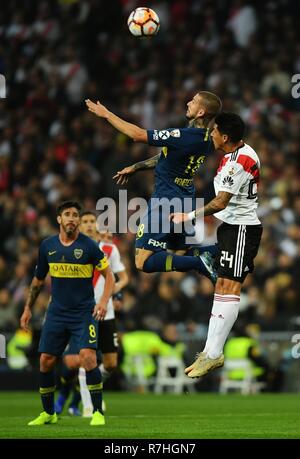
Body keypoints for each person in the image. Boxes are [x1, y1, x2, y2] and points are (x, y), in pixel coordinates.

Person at [85, 92, 222, 282]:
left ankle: (201, 262)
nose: (188, 102)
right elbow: (166, 158)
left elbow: (138, 135)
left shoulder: (183, 136)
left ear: (201, 112)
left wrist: (107, 114)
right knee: (179, 252)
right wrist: (138, 166)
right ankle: (216, 251)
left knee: (143, 262)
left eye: (194, 101)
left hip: (166, 201)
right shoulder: (207, 139)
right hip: (186, 200)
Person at [170, 112, 263, 378]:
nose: (211, 134)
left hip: (242, 229)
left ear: (224, 136)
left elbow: (220, 202)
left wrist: (188, 215)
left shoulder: (240, 160)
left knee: (230, 287)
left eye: (214, 131)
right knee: (222, 286)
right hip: (231, 228)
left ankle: (213, 353)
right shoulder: (231, 156)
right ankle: (210, 353)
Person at [20, 201, 115, 426]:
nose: (72, 218)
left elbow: (109, 276)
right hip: (56, 312)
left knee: (88, 357)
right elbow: (37, 281)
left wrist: (102, 301)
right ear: (59, 219)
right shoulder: (47, 246)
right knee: (46, 360)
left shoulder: (90, 246)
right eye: (67, 215)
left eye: (75, 215)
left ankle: (97, 412)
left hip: (83, 312)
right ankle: (48, 413)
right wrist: (27, 308)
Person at [55, 211, 129, 417]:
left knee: (111, 364)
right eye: (84, 221)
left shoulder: (109, 249)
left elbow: (121, 278)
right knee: (80, 360)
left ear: (97, 225)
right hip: (82, 312)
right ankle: (87, 405)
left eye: (91, 221)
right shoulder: (71, 248)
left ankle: (87, 390)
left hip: (106, 312)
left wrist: (116, 291)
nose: (88, 224)